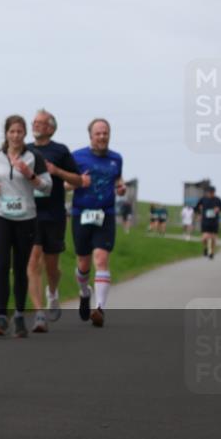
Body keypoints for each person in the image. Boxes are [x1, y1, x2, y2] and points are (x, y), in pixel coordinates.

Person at [0, 115, 52, 337]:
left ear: (25, 134)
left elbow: (47, 188)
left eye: (19, 132)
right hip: (0, 215)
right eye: (11, 131)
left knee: (21, 268)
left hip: (26, 218)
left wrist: (30, 174)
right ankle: (2, 317)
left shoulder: (35, 157)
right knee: (3, 264)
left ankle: (20, 316)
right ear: (6, 133)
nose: (15, 136)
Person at [26, 110, 84, 333]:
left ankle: (53, 292)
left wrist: (56, 170)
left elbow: (78, 180)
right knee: (32, 263)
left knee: (51, 267)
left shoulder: (60, 150)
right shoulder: (26, 150)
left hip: (54, 214)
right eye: (35, 122)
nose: (37, 125)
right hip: (30, 214)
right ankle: (39, 314)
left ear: (51, 127)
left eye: (41, 123)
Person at [70, 118, 126, 328]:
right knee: (83, 264)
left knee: (101, 259)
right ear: (90, 136)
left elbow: (118, 180)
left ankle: (100, 308)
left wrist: (120, 188)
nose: (102, 137)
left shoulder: (116, 158)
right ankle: (85, 293)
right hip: (81, 213)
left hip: (106, 214)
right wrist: (78, 182)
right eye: (98, 133)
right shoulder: (77, 157)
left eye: (106, 133)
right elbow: (67, 183)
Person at [195, 186, 221, 259]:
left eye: (213, 192)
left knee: (213, 238)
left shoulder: (218, 200)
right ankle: (206, 248)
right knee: (204, 238)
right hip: (205, 221)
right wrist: (199, 214)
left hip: (214, 221)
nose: (211, 194)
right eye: (210, 192)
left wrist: (218, 209)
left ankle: (211, 252)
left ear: (214, 192)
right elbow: (196, 208)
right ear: (207, 192)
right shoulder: (203, 199)